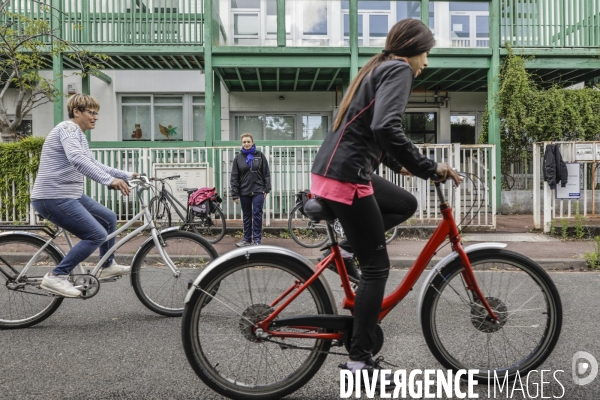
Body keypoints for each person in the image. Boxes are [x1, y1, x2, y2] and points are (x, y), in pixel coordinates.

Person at [310, 19, 461, 378]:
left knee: (405, 203)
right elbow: (384, 127)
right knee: (377, 267)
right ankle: (360, 360)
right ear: (413, 49)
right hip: (346, 176)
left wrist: (400, 165)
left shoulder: (379, 67)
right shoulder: (399, 69)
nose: (426, 63)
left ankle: (346, 251)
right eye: (426, 54)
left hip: (335, 170)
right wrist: (428, 167)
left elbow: (371, 129)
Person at [31, 94, 137, 298]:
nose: (95, 117)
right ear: (76, 112)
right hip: (53, 196)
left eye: (96, 113)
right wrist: (108, 181)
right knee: (96, 234)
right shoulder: (68, 129)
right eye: (91, 112)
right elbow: (77, 160)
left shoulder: (78, 134)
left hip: (70, 194)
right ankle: (56, 276)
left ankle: (107, 264)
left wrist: (127, 175)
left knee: (109, 218)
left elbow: (94, 163)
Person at [230, 133, 271, 246]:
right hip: (244, 191)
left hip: (258, 190)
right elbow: (234, 177)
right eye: (244, 142)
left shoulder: (260, 155)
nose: (246, 144)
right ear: (241, 144)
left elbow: (266, 173)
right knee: (247, 215)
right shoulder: (238, 158)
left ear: (252, 142)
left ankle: (257, 240)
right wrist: (235, 194)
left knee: (257, 214)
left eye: (248, 142)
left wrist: (266, 189)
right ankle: (247, 239)